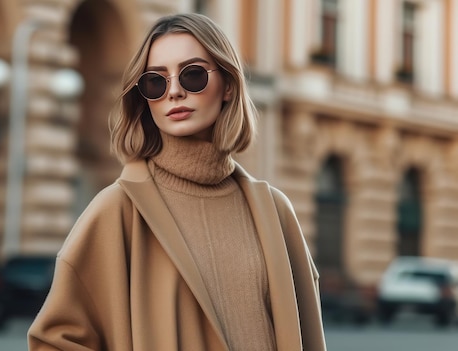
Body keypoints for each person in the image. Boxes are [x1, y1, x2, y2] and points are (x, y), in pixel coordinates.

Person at [28, 13, 326, 351]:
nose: (174, 91)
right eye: (155, 81)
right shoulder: (117, 211)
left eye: (193, 75)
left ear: (228, 85)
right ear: (144, 98)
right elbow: (54, 341)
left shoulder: (275, 212)